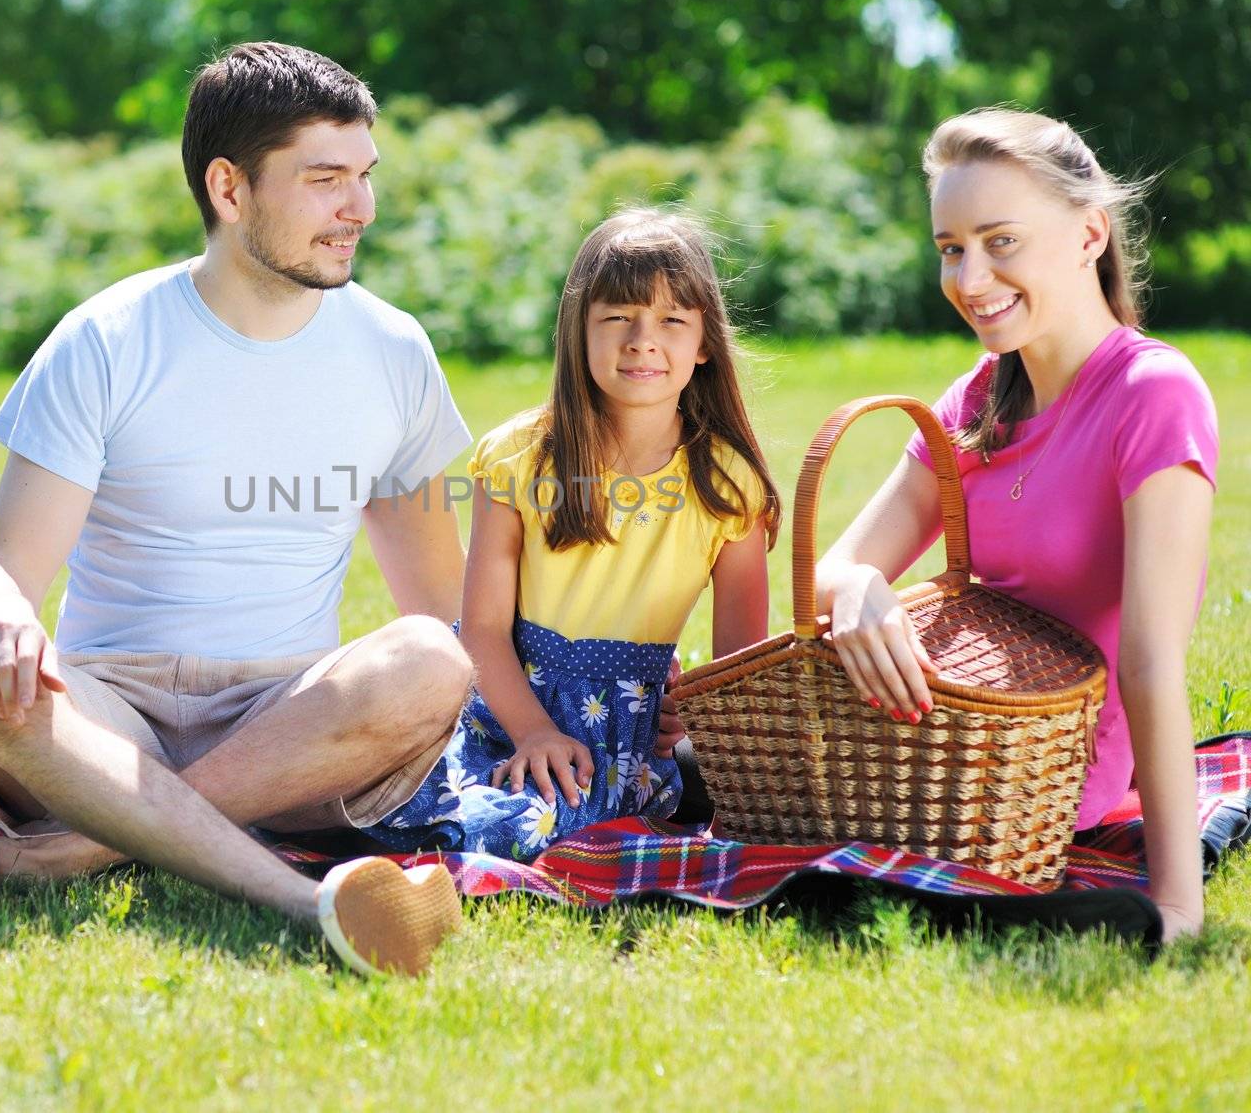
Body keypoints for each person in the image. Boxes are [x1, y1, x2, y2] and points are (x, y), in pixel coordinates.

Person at [0, 41, 477, 976]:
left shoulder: (394, 350)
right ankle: (305, 900)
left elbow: (441, 608)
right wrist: (3, 615)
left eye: (365, 177)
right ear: (230, 188)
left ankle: (52, 855)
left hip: (288, 720)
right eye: (325, 179)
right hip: (114, 707)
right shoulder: (106, 339)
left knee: (430, 659)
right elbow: (2, 567)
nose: (361, 209)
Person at [815, 108, 1218, 942]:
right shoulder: (975, 401)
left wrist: (1176, 900)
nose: (969, 278)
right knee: (710, 762)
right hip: (949, 733)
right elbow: (834, 569)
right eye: (951, 248)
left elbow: (1149, 659)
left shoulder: (1153, 395)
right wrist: (857, 584)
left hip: (1048, 776)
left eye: (1001, 241)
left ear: (1088, 235)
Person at [362, 209, 779, 859]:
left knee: (528, 820)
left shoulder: (728, 488)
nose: (643, 339)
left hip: (613, 739)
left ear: (704, 343)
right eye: (618, 317)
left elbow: (738, 668)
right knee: (372, 778)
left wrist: (696, 713)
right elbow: (483, 629)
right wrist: (530, 732)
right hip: (496, 703)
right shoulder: (518, 458)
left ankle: (422, 853)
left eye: (672, 320)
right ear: (578, 333)